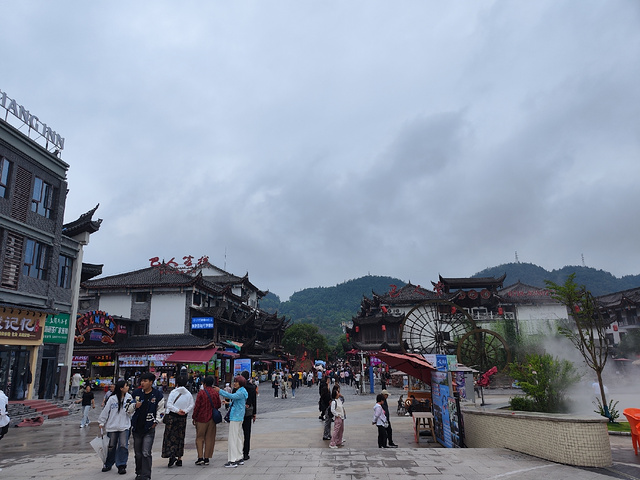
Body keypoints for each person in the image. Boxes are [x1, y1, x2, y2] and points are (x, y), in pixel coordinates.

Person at [131, 372, 165, 480]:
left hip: (149, 427)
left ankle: (146, 475)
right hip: (136, 427)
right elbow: (127, 407)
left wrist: (156, 421)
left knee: (146, 452)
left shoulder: (157, 395)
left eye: (145, 381)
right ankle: (139, 472)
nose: (143, 383)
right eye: (142, 381)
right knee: (138, 453)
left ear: (151, 382)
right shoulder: (136, 393)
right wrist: (134, 406)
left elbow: (161, 410)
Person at [98, 380, 134, 474]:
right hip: (112, 426)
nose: (128, 387)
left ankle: (121, 465)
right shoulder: (112, 399)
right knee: (111, 446)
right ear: (121, 388)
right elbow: (106, 411)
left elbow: (131, 411)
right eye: (126, 386)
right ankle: (108, 463)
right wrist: (102, 422)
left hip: (124, 425)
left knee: (123, 445)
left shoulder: (129, 397)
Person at [214, 375, 248, 468]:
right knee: (237, 437)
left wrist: (220, 391)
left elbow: (231, 396)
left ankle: (232, 460)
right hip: (239, 416)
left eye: (236, 382)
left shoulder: (240, 392)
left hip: (235, 416)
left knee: (233, 438)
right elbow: (236, 400)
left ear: (240, 383)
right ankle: (239, 457)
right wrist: (228, 403)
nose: (234, 383)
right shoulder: (242, 391)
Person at [161, 375, 195, 468]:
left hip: (172, 417)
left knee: (170, 436)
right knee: (180, 436)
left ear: (176, 383)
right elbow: (192, 404)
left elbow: (169, 405)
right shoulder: (188, 394)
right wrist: (185, 411)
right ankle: (179, 458)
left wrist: (177, 410)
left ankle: (171, 454)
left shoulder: (174, 392)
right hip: (183, 418)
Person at [192, 375, 221, 466]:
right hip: (212, 419)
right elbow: (219, 405)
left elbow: (197, 406)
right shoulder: (215, 393)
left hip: (201, 418)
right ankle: (207, 458)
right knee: (210, 438)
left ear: (204, 384)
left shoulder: (201, 393)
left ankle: (200, 457)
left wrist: (194, 417)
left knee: (200, 438)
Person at [241, 370, 257, 461]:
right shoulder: (252, 387)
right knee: (247, 433)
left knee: (238, 432)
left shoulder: (239, 386)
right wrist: (254, 413)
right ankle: (246, 453)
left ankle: (237, 451)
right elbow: (254, 401)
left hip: (238, 412)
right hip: (248, 412)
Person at [328, 385, 345, 449]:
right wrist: (337, 415)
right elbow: (332, 410)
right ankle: (332, 443)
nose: (339, 394)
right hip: (338, 417)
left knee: (341, 430)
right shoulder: (334, 402)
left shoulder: (339, 400)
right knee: (336, 430)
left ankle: (339, 441)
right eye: (337, 393)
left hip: (342, 417)